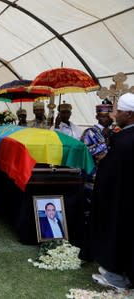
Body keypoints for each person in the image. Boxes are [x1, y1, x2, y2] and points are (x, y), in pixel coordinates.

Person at [91, 92, 134, 290]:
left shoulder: (124, 140)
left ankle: (117, 276)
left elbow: (109, 168)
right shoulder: (120, 136)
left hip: (120, 197)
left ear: (130, 115)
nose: (114, 116)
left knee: (118, 232)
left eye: (119, 112)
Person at [81, 100, 114, 166]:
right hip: (94, 168)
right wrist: (105, 143)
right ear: (97, 117)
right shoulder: (89, 132)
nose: (106, 119)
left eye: (108, 117)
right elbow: (84, 151)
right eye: (103, 117)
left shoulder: (113, 132)